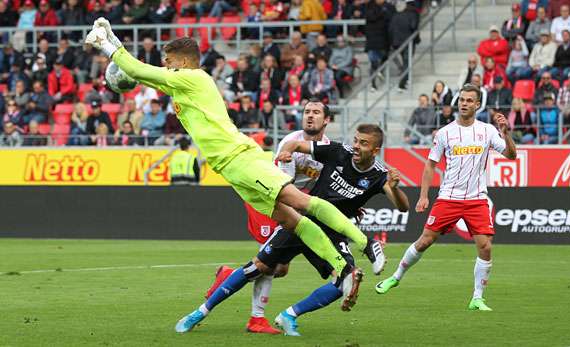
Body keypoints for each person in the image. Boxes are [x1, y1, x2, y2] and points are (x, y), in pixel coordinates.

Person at [85, 22, 385, 315]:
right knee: (293, 220)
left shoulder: (194, 78)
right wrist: (110, 37)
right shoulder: (180, 87)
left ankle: (366, 244)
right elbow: (145, 77)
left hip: (240, 156)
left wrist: (106, 45)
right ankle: (343, 268)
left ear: (184, 61)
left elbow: (139, 70)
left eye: (168, 60)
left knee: (301, 203)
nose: (165, 65)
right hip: (229, 168)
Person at [198, 123, 409, 336]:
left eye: (363, 143)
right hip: (302, 221)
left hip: (332, 232)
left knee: (346, 279)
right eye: (356, 140)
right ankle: (202, 311)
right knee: (262, 266)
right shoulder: (338, 151)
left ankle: (289, 315)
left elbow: (403, 206)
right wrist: (286, 152)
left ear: (375, 150)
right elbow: (296, 144)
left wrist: (395, 187)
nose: (356, 146)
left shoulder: (380, 175)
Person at [376, 84, 517, 312]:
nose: (464, 103)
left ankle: (477, 298)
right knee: (424, 241)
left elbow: (511, 155)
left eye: (469, 100)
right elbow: (430, 165)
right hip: (448, 198)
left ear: (478, 105)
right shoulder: (445, 133)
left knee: (486, 247)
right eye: (461, 99)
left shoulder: (488, 131)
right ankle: (396, 276)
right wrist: (423, 196)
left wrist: (506, 134)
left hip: (476, 198)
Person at [205, 100, 332, 334]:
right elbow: (285, 188)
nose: (309, 116)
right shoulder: (290, 144)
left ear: (327, 120)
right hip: (270, 201)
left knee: (280, 268)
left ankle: (228, 276)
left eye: (315, 112)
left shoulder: (327, 150)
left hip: (292, 204)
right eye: (306, 112)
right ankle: (257, 319)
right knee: (268, 262)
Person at [388, 0, 420, 92]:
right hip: (408, 42)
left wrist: (392, 41)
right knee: (407, 62)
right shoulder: (413, 14)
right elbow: (414, 26)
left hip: (397, 42)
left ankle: (405, 80)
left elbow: (390, 29)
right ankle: (402, 83)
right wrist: (416, 39)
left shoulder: (397, 15)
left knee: (406, 61)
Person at [365, 0, 394, 91]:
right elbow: (370, 17)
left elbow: (391, 20)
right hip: (372, 41)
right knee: (373, 63)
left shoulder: (388, 7)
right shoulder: (370, 7)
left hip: (384, 40)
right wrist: (382, 13)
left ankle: (380, 71)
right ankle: (373, 84)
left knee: (384, 57)